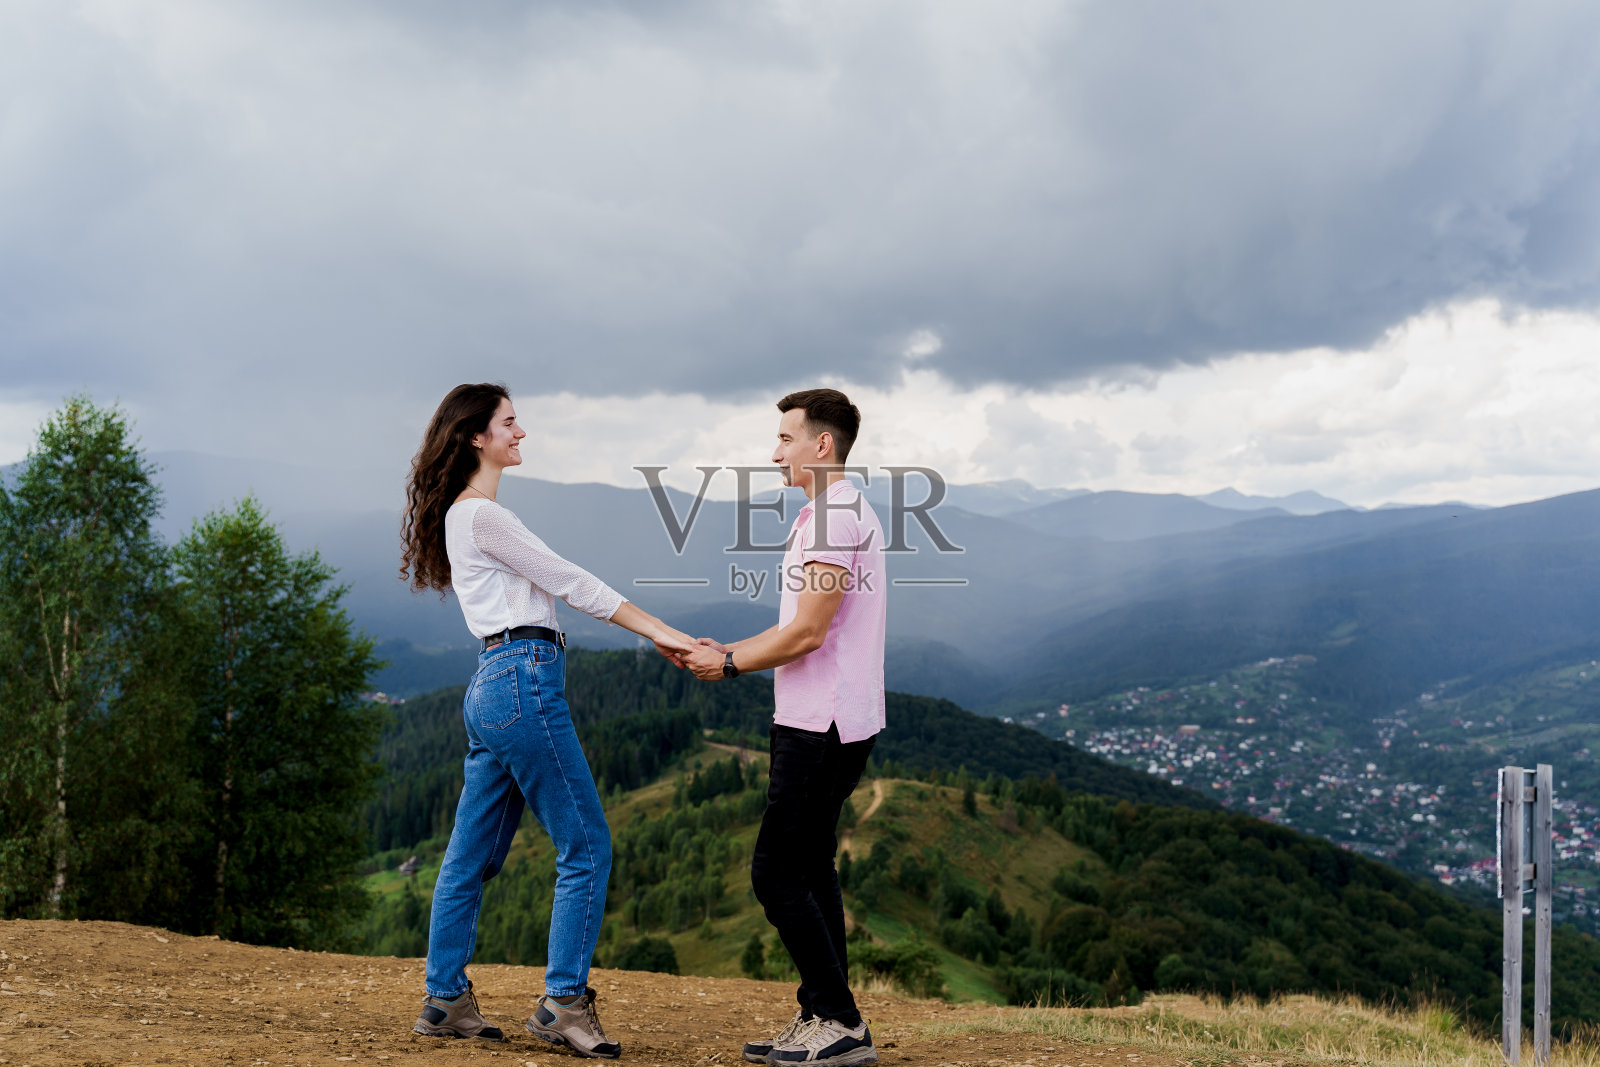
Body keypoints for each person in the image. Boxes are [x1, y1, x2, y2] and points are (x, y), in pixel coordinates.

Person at [399, 382, 694, 1056]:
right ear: (476, 436)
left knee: (469, 857)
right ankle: (563, 1003)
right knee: (586, 845)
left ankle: (444, 1000)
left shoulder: (462, 515)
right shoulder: (483, 516)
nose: (521, 431)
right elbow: (572, 581)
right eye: (509, 422)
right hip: (522, 679)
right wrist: (664, 633)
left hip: (491, 683)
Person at [683, 388, 886, 1067]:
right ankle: (824, 1012)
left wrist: (728, 664)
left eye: (785, 438)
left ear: (821, 445)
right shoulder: (833, 512)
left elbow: (808, 632)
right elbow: (799, 625)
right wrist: (730, 648)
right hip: (831, 718)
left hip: (819, 725)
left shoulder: (832, 518)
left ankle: (841, 1021)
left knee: (775, 873)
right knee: (810, 865)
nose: (775, 454)